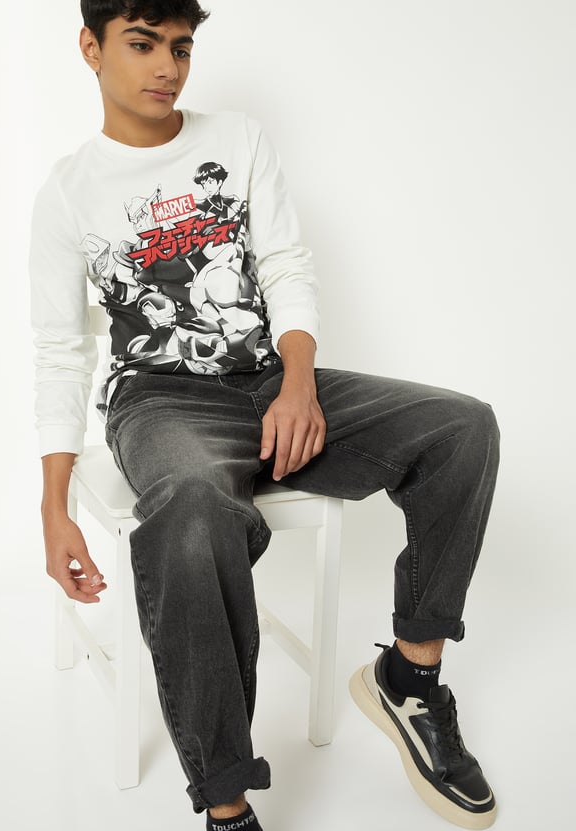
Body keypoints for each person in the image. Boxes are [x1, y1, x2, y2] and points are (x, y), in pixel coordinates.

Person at [30, 2, 500, 829]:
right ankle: (226, 803)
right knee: (194, 509)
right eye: (141, 45)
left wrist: (298, 381)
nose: (166, 67)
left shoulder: (237, 139)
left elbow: (284, 263)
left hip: (271, 380)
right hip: (161, 401)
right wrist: (53, 504)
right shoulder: (68, 192)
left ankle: (410, 678)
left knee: (461, 427)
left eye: (180, 47)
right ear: (90, 48)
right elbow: (60, 352)